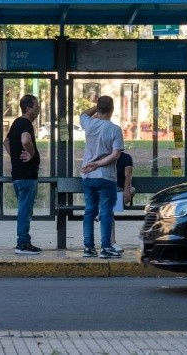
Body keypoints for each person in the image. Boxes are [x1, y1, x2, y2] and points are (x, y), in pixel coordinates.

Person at [80, 96, 125, 259]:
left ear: (98, 109)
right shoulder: (115, 129)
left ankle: (88, 247)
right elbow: (115, 155)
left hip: (87, 176)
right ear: (112, 110)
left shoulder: (89, 124)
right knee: (106, 211)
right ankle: (106, 247)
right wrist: (98, 164)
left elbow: (83, 114)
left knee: (89, 211)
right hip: (106, 176)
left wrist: (95, 108)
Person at [4, 95, 42, 255]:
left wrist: (14, 156)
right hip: (27, 176)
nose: (38, 109)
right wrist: (31, 154)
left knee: (24, 210)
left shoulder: (16, 123)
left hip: (18, 174)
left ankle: (24, 241)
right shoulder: (26, 124)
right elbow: (26, 140)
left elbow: (6, 142)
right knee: (25, 211)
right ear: (28, 108)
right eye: (36, 106)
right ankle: (23, 244)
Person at [111, 151, 135, 253]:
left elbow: (128, 176)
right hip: (108, 191)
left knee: (132, 190)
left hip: (120, 190)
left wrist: (126, 191)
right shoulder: (105, 156)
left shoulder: (126, 157)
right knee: (109, 211)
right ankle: (112, 242)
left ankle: (101, 211)